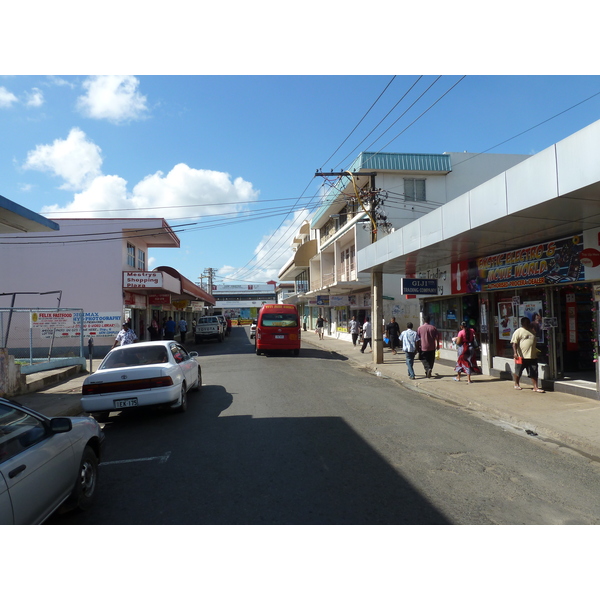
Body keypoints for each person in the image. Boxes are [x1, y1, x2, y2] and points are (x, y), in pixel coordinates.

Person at [511, 316, 544, 392]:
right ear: (522, 323)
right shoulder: (518, 331)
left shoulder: (532, 331)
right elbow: (514, 343)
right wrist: (515, 353)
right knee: (518, 371)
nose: (528, 324)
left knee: (534, 372)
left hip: (532, 356)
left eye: (528, 322)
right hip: (521, 356)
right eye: (526, 322)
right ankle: (516, 384)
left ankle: (535, 387)